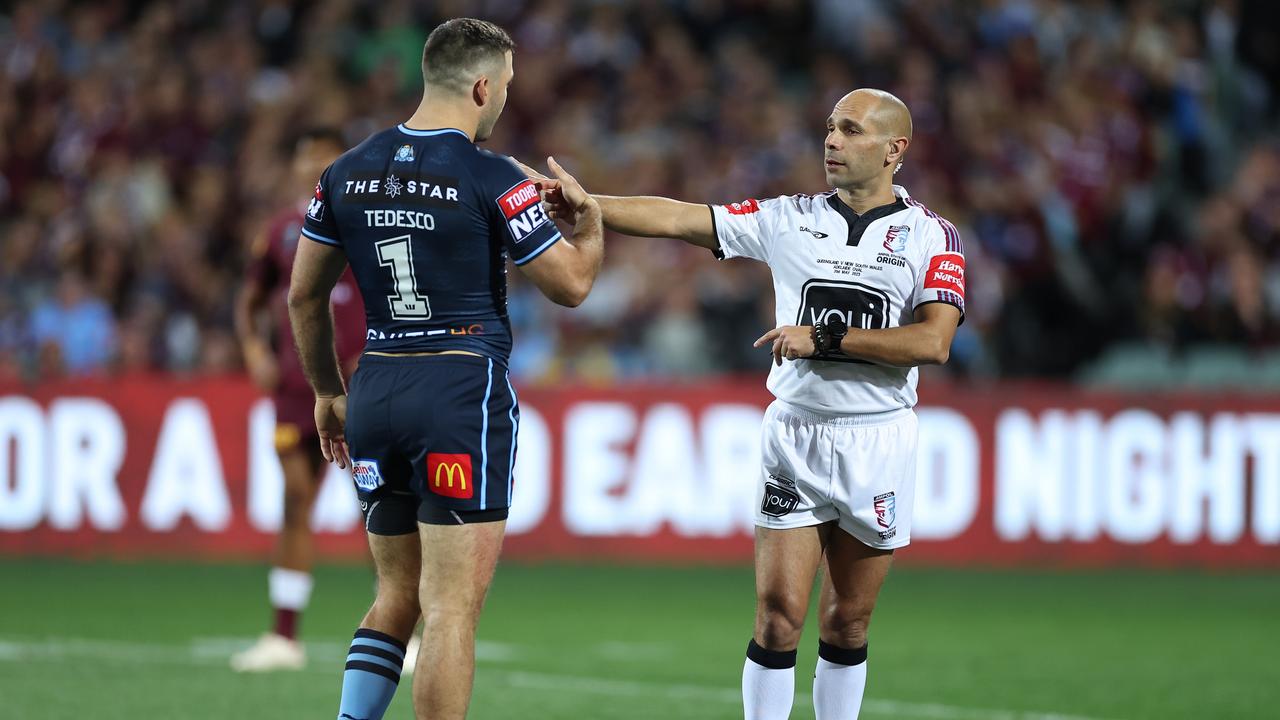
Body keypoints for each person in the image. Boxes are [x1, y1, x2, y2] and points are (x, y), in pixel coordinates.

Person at [529, 88, 964, 720]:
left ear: (896, 148)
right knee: (779, 617)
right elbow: (683, 218)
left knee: (848, 621)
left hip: (879, 439)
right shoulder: (790, 217)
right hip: (796, 434)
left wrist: (824, 338)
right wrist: (590, 205)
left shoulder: (931, 236)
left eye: (850, 130)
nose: (832, 141)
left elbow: (935, 341)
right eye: (829, 128)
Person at [287, 18, 603, 720]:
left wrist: (326, 393)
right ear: (483, 86)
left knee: (395, 595)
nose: (506, 103)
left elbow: (304, 296)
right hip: (459, 388)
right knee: (450, 611)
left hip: (374, 387)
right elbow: (572, 286)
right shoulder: (491, 175)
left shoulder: (345, 170)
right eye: (508, 90)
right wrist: (591, 225)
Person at [231, 128, 364, 673]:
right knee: (293, 499)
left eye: (324, 160)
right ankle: (284, 637)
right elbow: (250, 300)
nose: (313, 169)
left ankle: (407, 632)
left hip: (363, 386)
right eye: (306, 159)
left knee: (380, 507)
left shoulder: (371, 226)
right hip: (296, 387)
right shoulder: (283, 231)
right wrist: (254, 351)